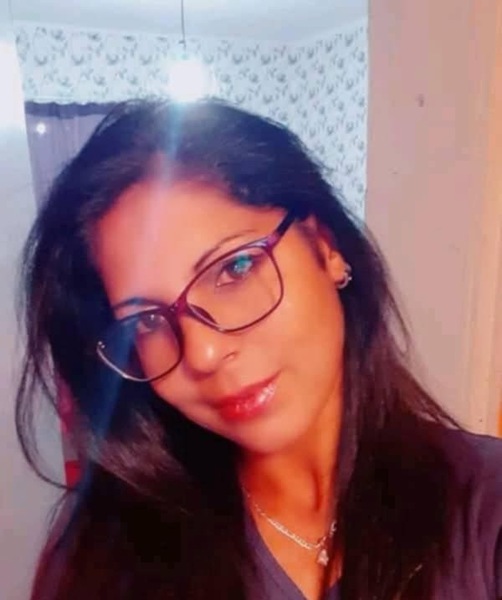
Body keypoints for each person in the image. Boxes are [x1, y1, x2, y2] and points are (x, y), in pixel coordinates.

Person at [16, 99, 502, 600]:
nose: (203, 353)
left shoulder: (484, 508)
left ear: (325, 246)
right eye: (148, 320)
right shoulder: (100, 554)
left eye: (235, 268)